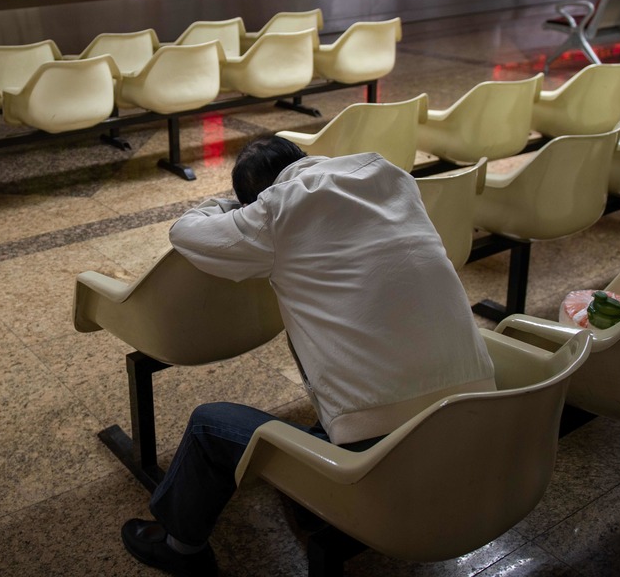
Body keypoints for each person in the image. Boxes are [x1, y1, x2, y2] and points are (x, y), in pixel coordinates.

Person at [121, 136, 495, 576]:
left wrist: (231, 207)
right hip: (483, 414)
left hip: (381, 455)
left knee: (209, 425)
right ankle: (309, 495)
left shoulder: (276, 212)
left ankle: (180, 547)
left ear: (257, 197)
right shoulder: (391, 175)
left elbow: (186, 232)